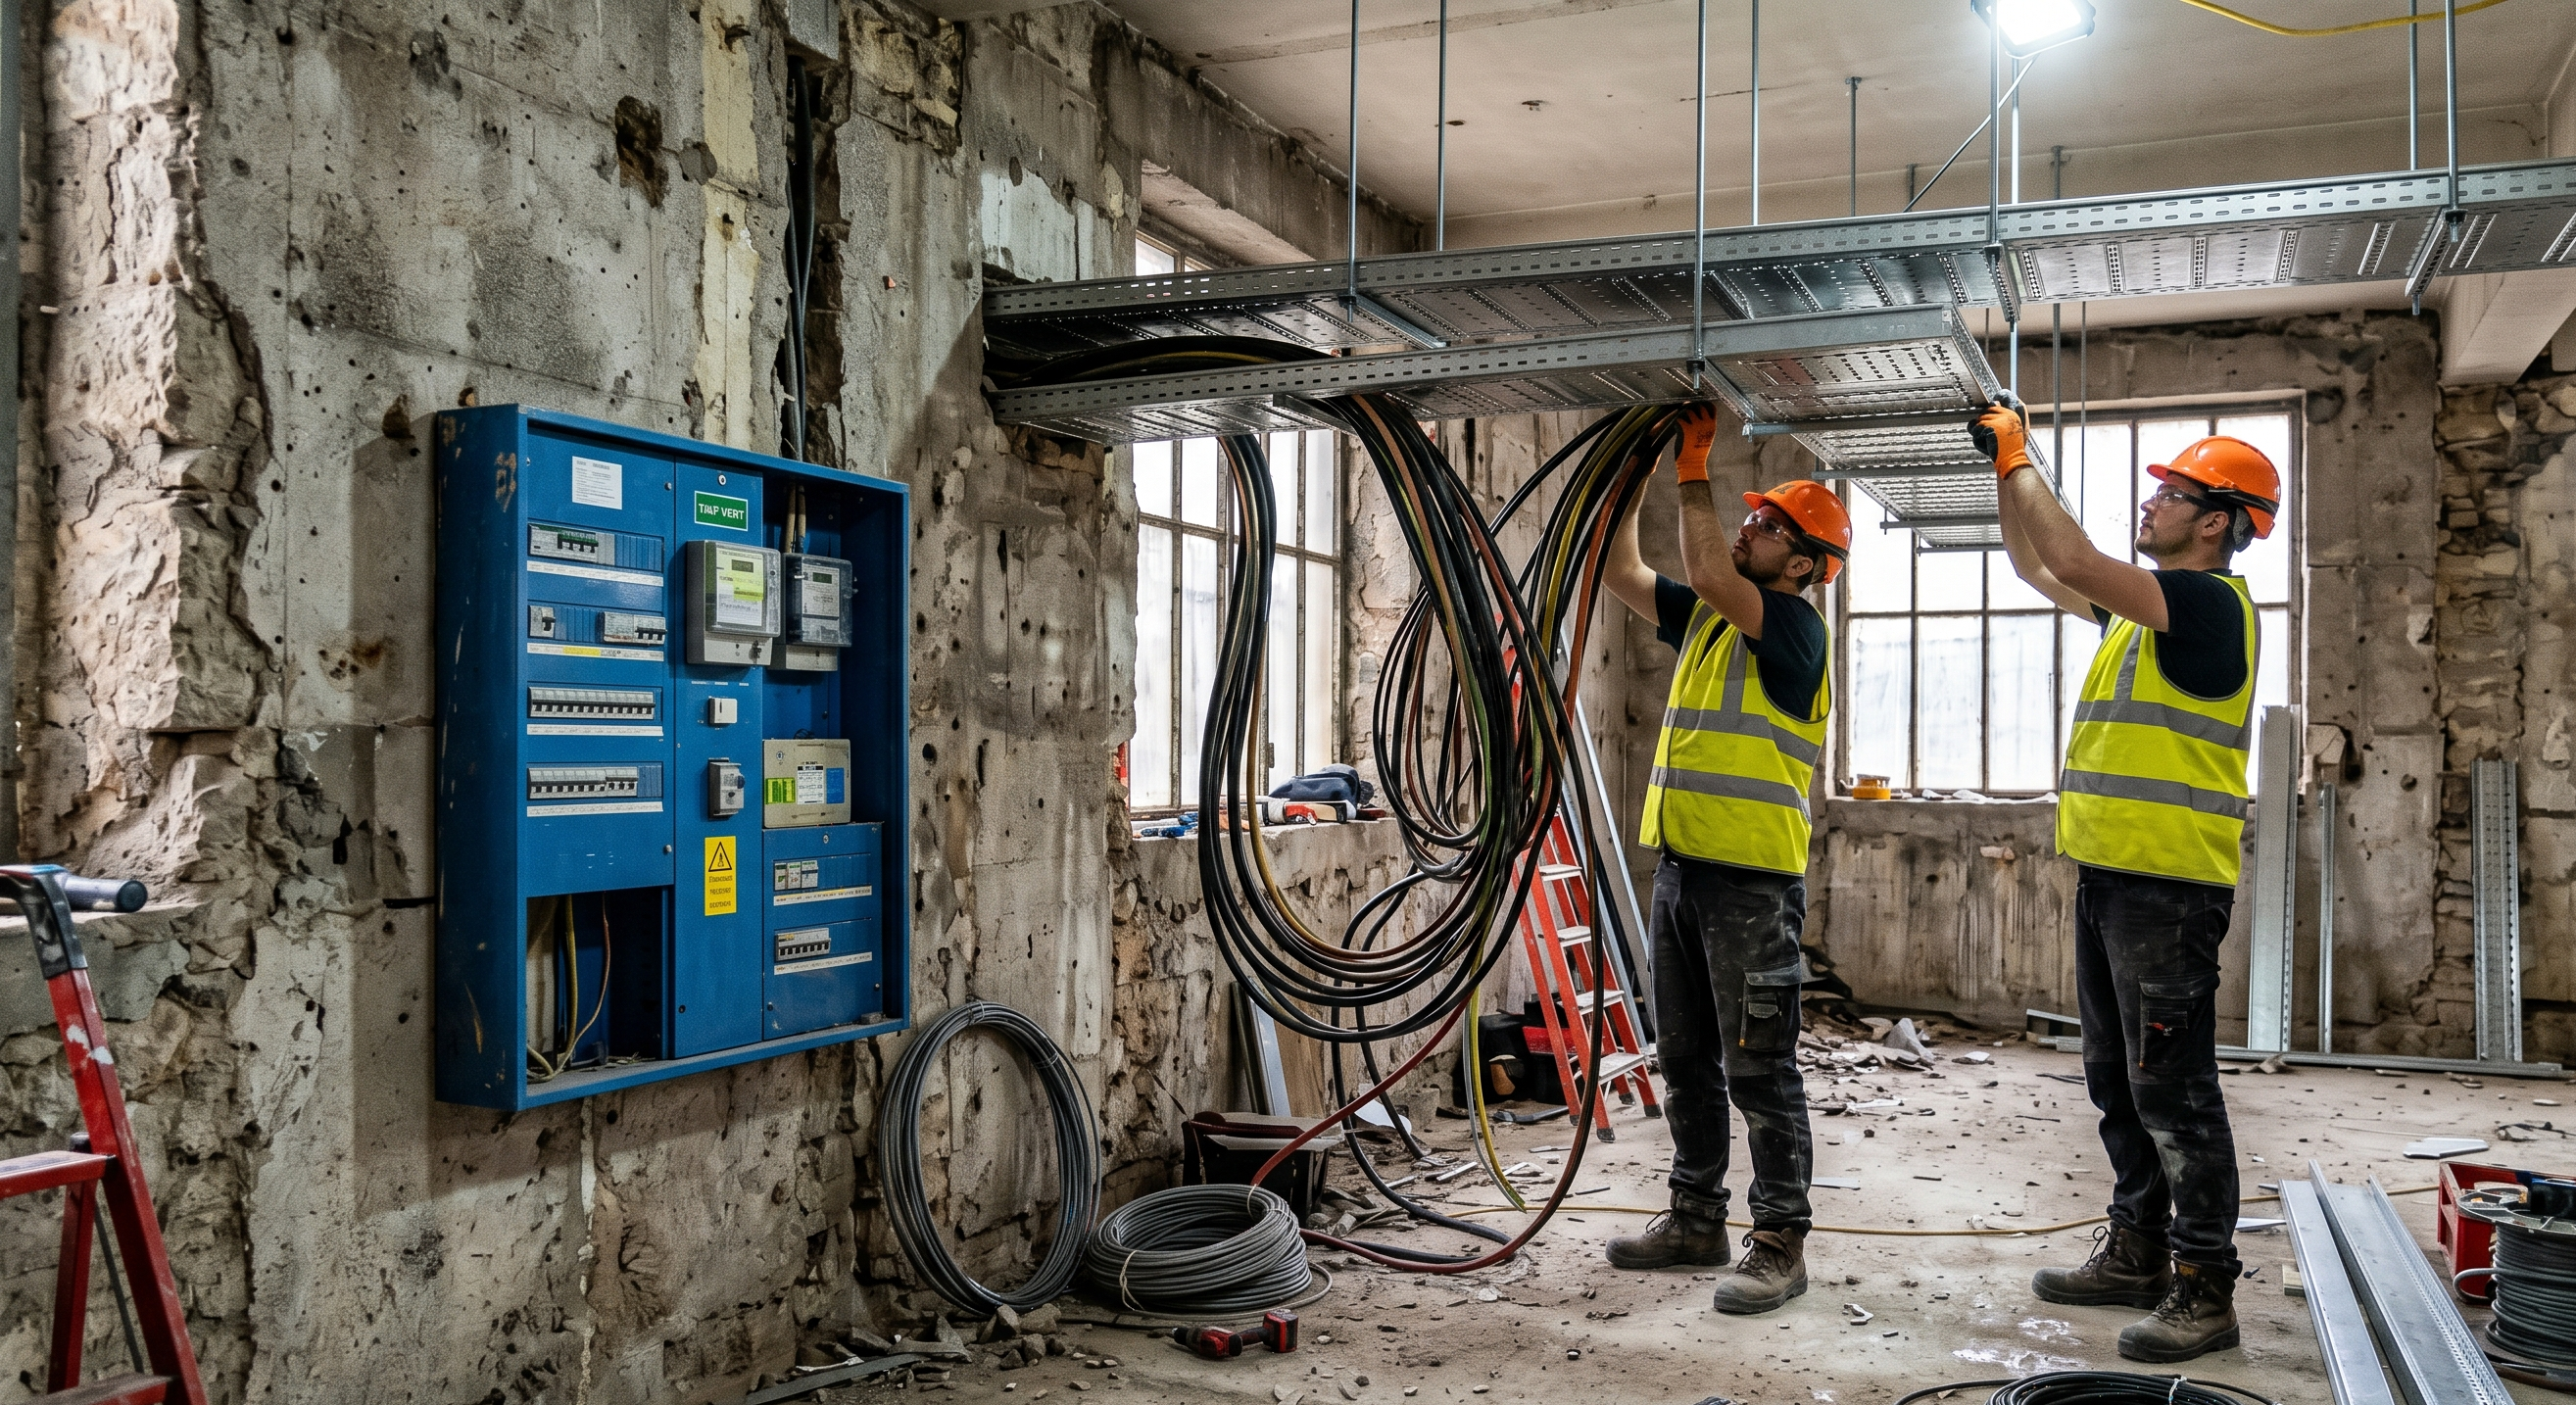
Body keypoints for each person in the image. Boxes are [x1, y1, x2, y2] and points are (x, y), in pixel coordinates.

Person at [1980, 400, 2278, 1363]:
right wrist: (2002, 473)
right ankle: (2137, 1253)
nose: (2148, 504)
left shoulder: (2203, 605)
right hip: (2113, 881)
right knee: (2117, 1081)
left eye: (2172, 494)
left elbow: (2067, 560)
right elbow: (2036, 565)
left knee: (2173, 1091)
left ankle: (2203, 1287)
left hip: (2166, 892)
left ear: (2217, 522)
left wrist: (2025, 451)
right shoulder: (2145, 612)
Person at [1596, 403, 1851, 1317]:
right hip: (1682, 874)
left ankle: (1778, 1240)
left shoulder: (1789, 629)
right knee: (1686, 1058)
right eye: (1753, 513)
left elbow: (1704, 563)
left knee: (1759, 1067)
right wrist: (1625, 480)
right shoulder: (1709, 622)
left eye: (1771, 525)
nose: (1751, 526)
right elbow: (1619, 568)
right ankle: (1695, 1216)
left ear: (1802, 566)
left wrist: (1692, 468)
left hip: (1750, 884)